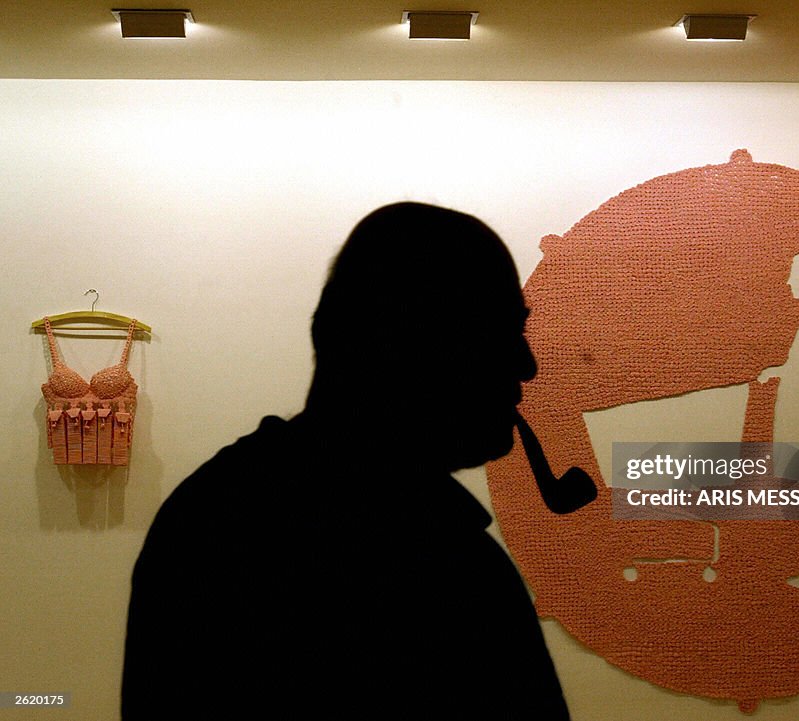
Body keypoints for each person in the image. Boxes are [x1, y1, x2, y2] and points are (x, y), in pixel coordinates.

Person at [121, 203, 571, 720]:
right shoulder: (431, 561)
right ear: (410, 341)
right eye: (499, 330)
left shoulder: (212, 515)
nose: (526, 364)